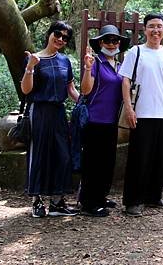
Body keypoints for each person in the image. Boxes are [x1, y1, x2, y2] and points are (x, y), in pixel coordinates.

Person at [119, 13, 163, 217]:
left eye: (159, 26)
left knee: (160, 157)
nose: (156, 30)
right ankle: (132, 201)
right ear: (145, 29)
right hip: (142, 113)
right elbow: (126, 81)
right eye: (152, 26)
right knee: (139, 158)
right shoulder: (135, 52)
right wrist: (129, 108)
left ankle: (154, 196)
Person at [21, 20, 80, 218]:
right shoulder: (34, 58)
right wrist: (30, 67)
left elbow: (70, 89)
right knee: (39, 154)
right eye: (58, 34)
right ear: (49, 33)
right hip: (39, 111)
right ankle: (36, 201)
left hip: (58, 112)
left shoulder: (65, 61)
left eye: (65, 37)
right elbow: (26, 90)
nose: (61, 39)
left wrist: (87, 103)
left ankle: (57, 201)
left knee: (62, 155)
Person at [78, 25, 130, 217]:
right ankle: (89, 202)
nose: (111, 44)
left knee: (108, 161)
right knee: (93, 163)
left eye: (115, 40)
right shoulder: (96, 63)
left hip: (111, 121)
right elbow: (85, 90)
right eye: (107, 40)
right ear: (100, 43)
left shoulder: (119, 65)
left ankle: (100, 196)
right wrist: (87, 68)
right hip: (95, 120)